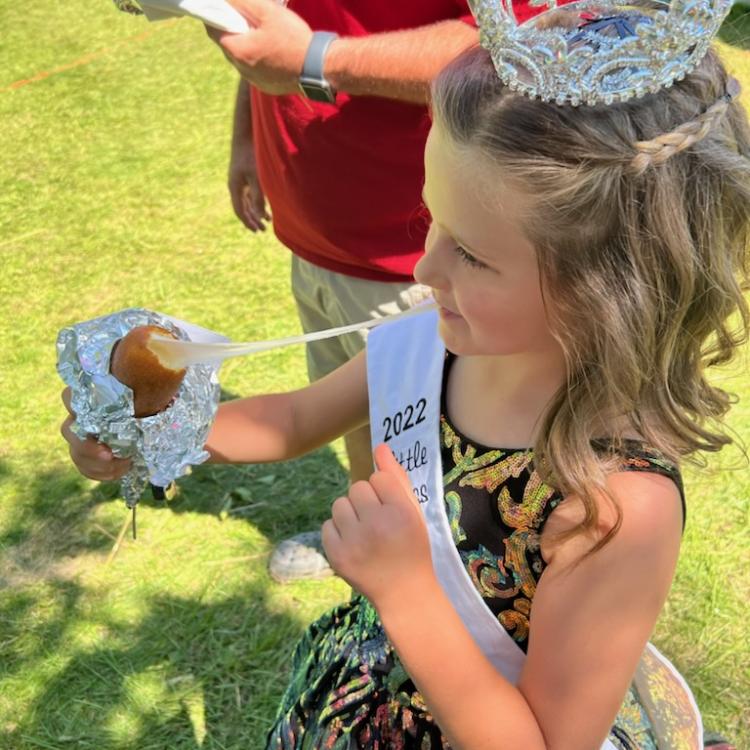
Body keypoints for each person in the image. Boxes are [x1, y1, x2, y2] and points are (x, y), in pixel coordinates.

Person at [62, 19, 750, 749]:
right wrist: (143, 434)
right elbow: (291, 421)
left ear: (609, 290)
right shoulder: (439, 342)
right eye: (433, 220)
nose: (425, 270)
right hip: (359, 694)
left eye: (473, 255)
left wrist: (406, 591)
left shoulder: (618, 503)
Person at [204, 0, 490, 582]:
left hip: (404, 262)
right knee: (361, 426)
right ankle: (369, 541)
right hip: (316, 248)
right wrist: (247, 141)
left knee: (421, 456)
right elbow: (268, 37)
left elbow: (513, 49)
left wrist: (316, 59)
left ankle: (427, 571)